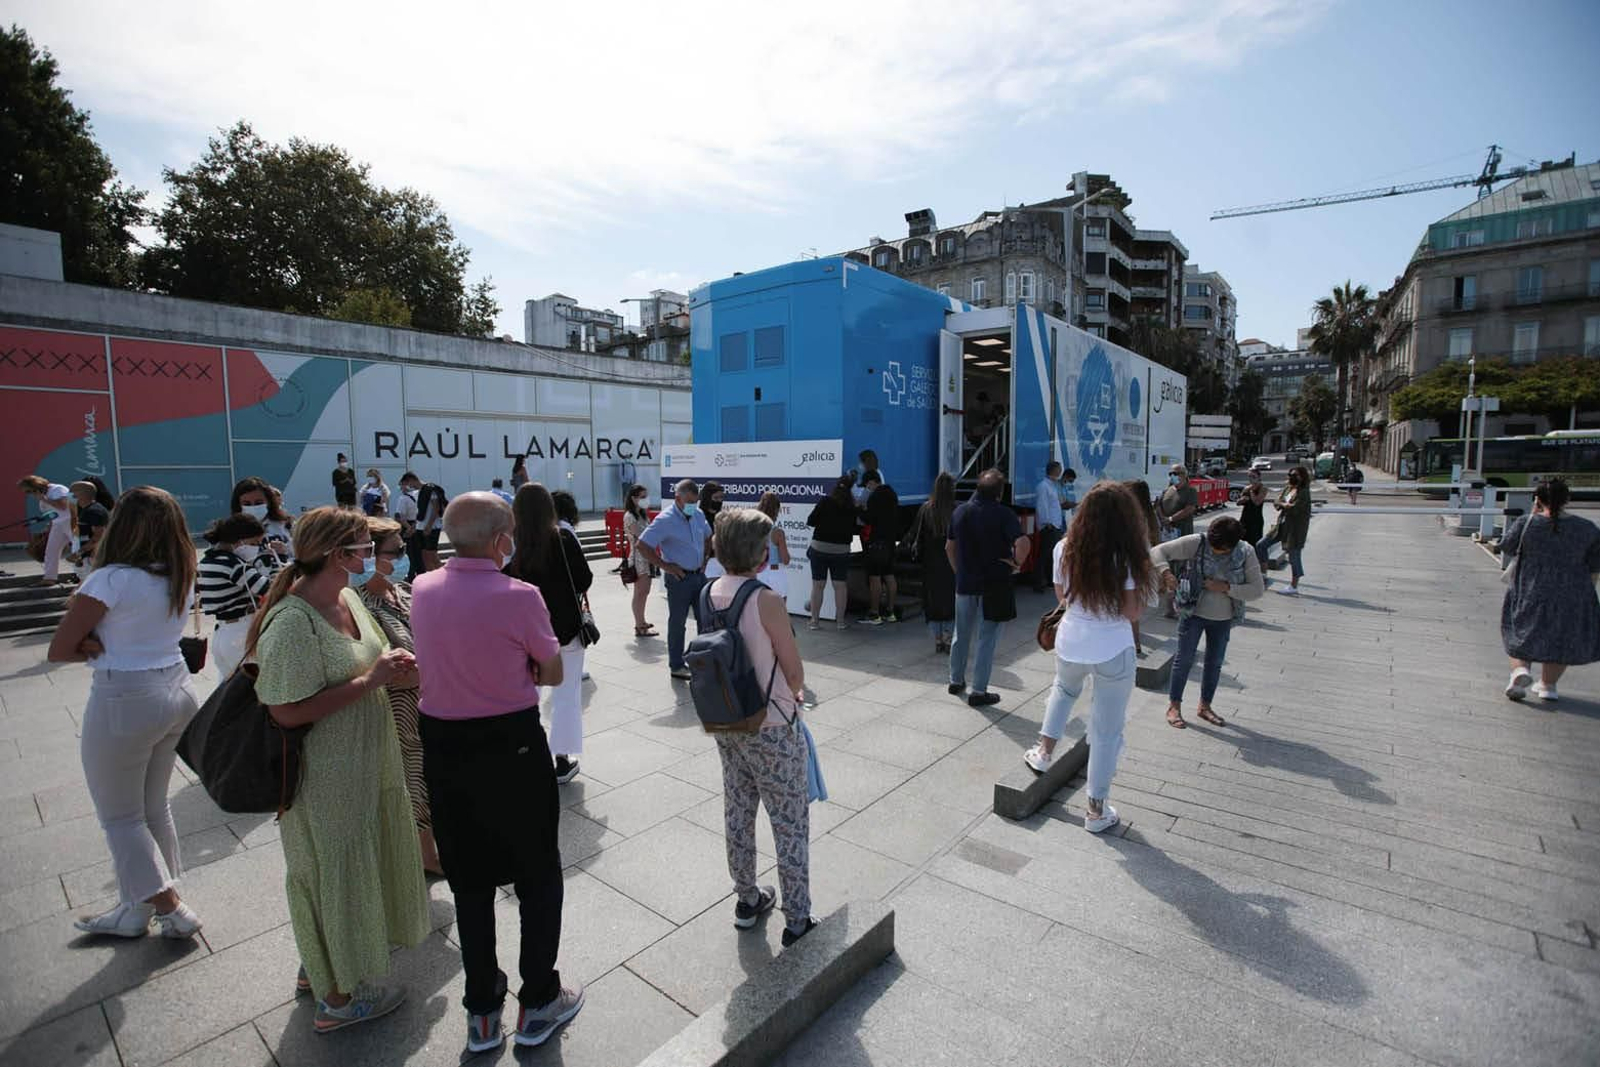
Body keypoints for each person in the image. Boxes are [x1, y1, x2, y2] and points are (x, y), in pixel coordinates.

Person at [410, 493, 583, 1053]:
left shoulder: (422, 586)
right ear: (498, 540)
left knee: (470, 879)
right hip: (510, 744)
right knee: (536, 874)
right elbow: (553, 669)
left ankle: (482, 1011)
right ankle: (539, 1000)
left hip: (443, 745)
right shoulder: (520, 596)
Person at [249, 508, 428, 1031]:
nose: (372, 555)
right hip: (325, 777)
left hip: (366, 763)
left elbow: (376, 657)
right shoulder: (292, 619)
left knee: (346, 874)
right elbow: (283, 710)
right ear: (336, 554)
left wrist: (398, 667)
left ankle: (320, 967)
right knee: (334, 873)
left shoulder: (347, 597)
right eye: (363, 547)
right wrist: (373, 680)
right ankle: (340, 1002)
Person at [46, 486, 205, 939]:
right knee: (153, 806)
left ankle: (170, 906)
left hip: (126, 696)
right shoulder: (180, 572)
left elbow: (60, 648)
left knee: (120, 816)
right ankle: (137, 907)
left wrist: (95, 647)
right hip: (176, 688)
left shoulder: (111, 578)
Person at [703, 508, 818, 947]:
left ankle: (747, 898)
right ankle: (798, 918)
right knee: (789, 821)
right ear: (759, 552)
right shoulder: (765, 598)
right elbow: (793, 672)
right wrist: (796, 695)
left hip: (727, 719)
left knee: (738, 810)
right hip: (771, 724)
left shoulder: (708, 591)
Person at [1021, 483, 1156, 835]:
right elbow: (1131, 612)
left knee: (1063, 690)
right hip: (1113, 647)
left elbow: (1062, 596)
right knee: (1107, 731)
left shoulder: (1064, 548)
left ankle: (1043, 752)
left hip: (1071, 639)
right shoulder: (1128, 555)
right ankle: (1096, 810)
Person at [356, 517, 441, 874]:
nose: (405, 555)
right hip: (396, 712)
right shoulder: (357, 605)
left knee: (429, 777)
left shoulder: (406, 590)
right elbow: (391, 672)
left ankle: (430, 845)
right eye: (397, 551)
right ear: (368, 556)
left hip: (430, 705)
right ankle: (425, 855)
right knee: (412, 781)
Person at [508, 484, 593, 784]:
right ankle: (562, 758)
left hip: (523, 632)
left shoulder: (510, 544)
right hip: (565, 629)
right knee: (566, 695)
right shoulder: (563, 538)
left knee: (527, 695)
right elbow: (584, 578)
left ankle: (526, 752)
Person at [1152, 516, 1265, 729]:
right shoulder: (1198, 542)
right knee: (1183, 659)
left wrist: (1227, 588)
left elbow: (1257, 590)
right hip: (1192, 613)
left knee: (1214, 663)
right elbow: (1158, 551)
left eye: (1221, 549)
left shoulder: (1246, 551)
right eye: (1214, 547)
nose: (1215, 551)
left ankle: (1205, 706)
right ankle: (1174, 706)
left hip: (1223, 619)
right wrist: (1166, 573)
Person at [1500, 478, 1600, 703]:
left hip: (1531, 588)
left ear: (1537, 499)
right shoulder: (1587, 528)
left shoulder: (1528, 523)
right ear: (1567, 500)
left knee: (1519, 630)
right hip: (1573, 592)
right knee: (1560, 638)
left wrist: (1533, 513)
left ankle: (1519, 672)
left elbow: (1506, 545)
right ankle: (1548, 686)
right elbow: (1595, 565)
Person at [947, 469, 1029, 707]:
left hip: (965, 584)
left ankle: (955, 680)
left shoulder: (959, 511)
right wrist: (1017, 564)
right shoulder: (1004, 514)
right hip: (994, 584)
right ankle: (979, 691)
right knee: (986, 638)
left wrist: (958, 571)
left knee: (960, 634)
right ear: (1000, 492)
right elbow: (1023, 542)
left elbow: (949, 548)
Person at [637, 479, 710, 679]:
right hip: (679, 579)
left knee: (706, 621)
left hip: (699, 576)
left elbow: (707, 536)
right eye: (689, 502)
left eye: (695, 502)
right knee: (678, 623)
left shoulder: (698, 514)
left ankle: (703, 660)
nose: (692, 506)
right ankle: (676, 665)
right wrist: (666, 566)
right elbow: (642, 546)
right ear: (678, 499)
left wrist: (705, 557)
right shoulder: (665, 520)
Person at [196, 512, 280, 679]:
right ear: (240, 540)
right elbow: (271, 589)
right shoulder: (234, 565)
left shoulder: (207, 561)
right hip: (241, 632)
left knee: (228, 688)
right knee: (254, 689)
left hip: (222, 633)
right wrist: (281, 563)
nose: (257, 547)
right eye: (254, 543)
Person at [911, 472, 957, 654]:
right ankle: (947, 637)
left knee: (933, 602)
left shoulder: (926, 509)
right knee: (950, 601)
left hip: (931, 564)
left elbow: (918, 537)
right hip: (951, 564)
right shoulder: (956, 510)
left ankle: (937, 639)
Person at [804, 477, 857, 632]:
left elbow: (811, 521)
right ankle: (840, 622)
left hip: (819, 548)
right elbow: (854, 530)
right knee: (840, 586)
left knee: (818, 585)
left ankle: (814, 621)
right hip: (841, 551)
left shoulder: (825, 501)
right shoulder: (851, 507)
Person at [1120, 479, 1163, 658]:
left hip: (1133, 563)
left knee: (1129, 607)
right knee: (1132, 606)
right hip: (1141, 563)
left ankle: (1134, 643)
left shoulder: (1135, 516)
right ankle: (1133, 642)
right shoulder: (1149, 514)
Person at [1256, 466, 1312, 595]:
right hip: (1281, 526)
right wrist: (1283, 504)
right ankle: (1264, 573)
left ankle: (1294, 585)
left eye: (1295, 475)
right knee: (1261, 545)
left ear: (1302, 477)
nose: (1292, 476)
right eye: (1290, 474)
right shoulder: (1288, 489)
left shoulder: (1304, 492)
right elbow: (1277, 502)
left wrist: (1285, 505)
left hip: (1295, 529)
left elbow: (1295, 509)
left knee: (1294, 556)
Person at [19, 475, 75, 585]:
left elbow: (63, 506)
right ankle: (50, 577)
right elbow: (52, 514)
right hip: (57, 524)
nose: (30, 494)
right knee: (51, 550)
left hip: (70, 521)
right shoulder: (42, 496)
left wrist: (44, 499)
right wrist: (48, 527)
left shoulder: (57, 489)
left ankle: (87, 574)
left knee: (79, 548)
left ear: (35, 486)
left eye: (29, 491)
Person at [860, 471, 900, 624]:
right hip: (890, 542)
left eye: (867, 485)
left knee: (875, 578)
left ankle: (874, 614)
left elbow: (868, 518)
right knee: (889, 575)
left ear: (872, 482)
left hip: (876, 542)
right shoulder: (892, 494)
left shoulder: (875, 497)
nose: (867, 488)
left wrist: (860, 509)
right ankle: (890, 612)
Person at [622, 484, 659, 637]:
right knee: (640, 593)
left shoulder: (643, 515)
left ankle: (642, 621)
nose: (646, 500)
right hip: (638, 558)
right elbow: (643, 536)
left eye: (646, 496)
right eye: (642, 497)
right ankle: (639, 625)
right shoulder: (630, 516)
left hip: (647, 557)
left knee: (644, 591)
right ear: (633, 498)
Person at [231, 477, 294, 562]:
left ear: (269, 502)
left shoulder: (286, 525)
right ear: (238, 505)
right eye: (247, 504)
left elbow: (303, 555)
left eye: (258, 503)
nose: (253, 507)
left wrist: (285, 550)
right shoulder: (230, 531)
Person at [400, 472, 447, 574]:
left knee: (432, 554)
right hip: (420, 527)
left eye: (407, 483)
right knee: (424, 555)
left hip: (432, 527)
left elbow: (436, 508)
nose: (408, 486)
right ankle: (431, 578)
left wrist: (429, 526)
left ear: (412, 480)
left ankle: (443, 577)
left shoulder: (430, 489)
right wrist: (413, 528)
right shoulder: (418, 493)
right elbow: (419, 512)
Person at [1033, 462, 1065, 594]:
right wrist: (1047, 523)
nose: (1060, 471)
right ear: (1054, 470)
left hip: (1056, 524)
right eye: (1059, 469)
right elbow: (1042, 505)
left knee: (1052, 556)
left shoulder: (1053, 486)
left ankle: (1049, 581)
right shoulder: (1043, 486)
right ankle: (1038, 583)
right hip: (1049, 526)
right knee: (1044, 555)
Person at [68, 481, 111, 573]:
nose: (69, 495)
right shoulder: (87, 510)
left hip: (94, 558)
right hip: (88, 557)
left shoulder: (94, 511)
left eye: (72, 492)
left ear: (81, 494)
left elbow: (98, 537)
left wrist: (78, 553)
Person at [756, 491, 791, 599]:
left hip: (758, 572)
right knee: (779, 612)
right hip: (775, 572)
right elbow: (786, 559)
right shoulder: (778, 533)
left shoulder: (752, 529)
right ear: (776, 510)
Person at [701, 481, 727, 578]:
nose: (719, 501)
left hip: (721, 564)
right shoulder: (698, 516)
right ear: (707, 497)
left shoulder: (722, 517)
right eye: (716, 498)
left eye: (721, 498)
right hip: (703, 564)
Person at [1238, 470, 1268, 546]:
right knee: (1242, 539)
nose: (1251, 479)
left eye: (1253, 477)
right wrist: (1242, 500)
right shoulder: (1246, 488)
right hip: (1245, 517)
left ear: (1259, 477)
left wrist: (1252, 491)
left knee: (1254, 541)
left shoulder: (1263, 488)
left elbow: (1257, 502)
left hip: (1256, 518)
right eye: (1249, 477)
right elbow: (1238, 502)